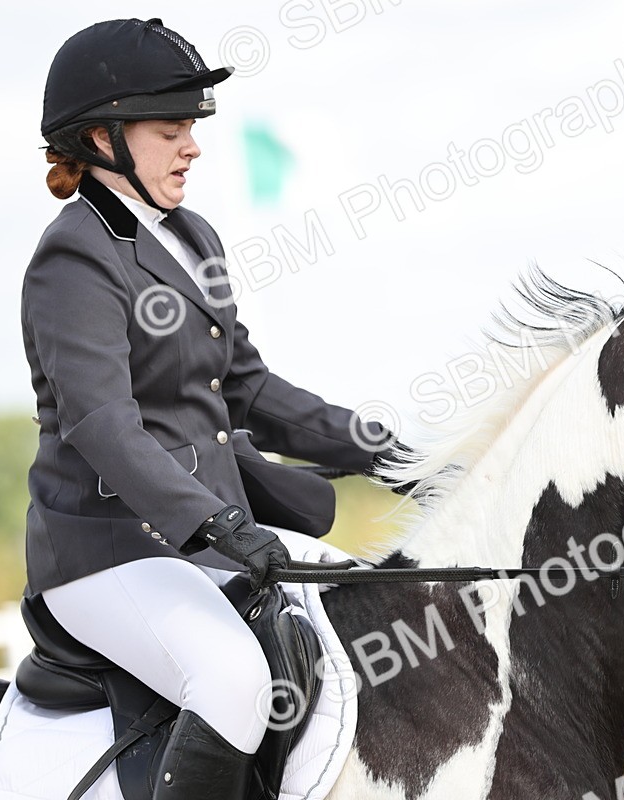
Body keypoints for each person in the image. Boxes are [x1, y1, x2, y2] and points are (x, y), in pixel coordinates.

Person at [23, 18, 389, 799]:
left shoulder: (194, 236)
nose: (192, 148)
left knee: (374, 605)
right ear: (102, 139)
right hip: (109, 550)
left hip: (204, 535)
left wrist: (381, 449)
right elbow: (102, 424)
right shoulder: (74, 255)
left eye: (190, 130)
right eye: (170, 132)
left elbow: (248, 387)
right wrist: (214, 523)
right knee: (234, 682)